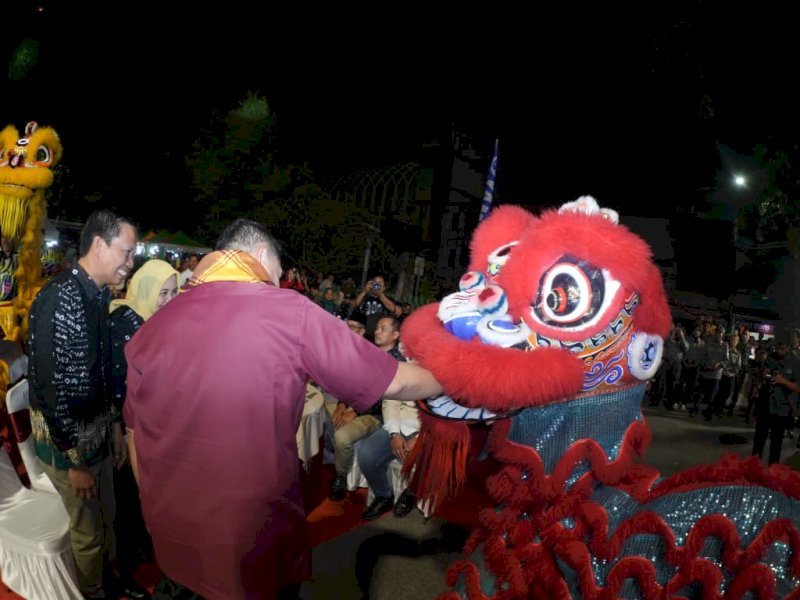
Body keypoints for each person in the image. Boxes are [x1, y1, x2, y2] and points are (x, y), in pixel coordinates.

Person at [122, 219, 442, 600]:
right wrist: (458, 374)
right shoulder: (288, 311)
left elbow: (134, 433)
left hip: (172, 527)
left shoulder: (153, 327)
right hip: (246, 537)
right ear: (260, 256)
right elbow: (394, 380)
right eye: (275, 274)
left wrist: (154, 506)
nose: (275, 284)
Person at [27, 209, 137, 599]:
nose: (130, 262)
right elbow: (53, 391)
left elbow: (102, 373)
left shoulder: (98, 294)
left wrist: (116, 428)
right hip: (67, 446)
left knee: (108, 514)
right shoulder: (60, 299)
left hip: (98, 435)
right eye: (126, 252)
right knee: (88, 532)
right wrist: (74, 463)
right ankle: (93, 592)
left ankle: (111, 578)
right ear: (99, 244)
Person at [109, 258, 179, 596]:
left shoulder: (153, 321)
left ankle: (137, 548)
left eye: (173, 292)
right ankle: (123, 571)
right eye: (161, 292)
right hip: (125, 428)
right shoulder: (125, 322)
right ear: (146, 288)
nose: (167, 299)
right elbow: (116, 383)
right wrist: (118, 428)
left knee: (142, 496)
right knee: (126, 498)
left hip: (149, 424)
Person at [752, 335, 800, 464]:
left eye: (782, 349)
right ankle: (752, 468)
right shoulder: (771, 357)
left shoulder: (796, 362)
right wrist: (762, 376)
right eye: (777, 348)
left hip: (781, 408)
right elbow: (763, 373)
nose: (779, 351)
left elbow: (797, 388)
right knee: (758, 441)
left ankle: (772, 472)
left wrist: (784, 381)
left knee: (776, 443)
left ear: (789, 347)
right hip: (765, 404)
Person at [352, 274, 402, 338]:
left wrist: (380, 294)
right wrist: (364, 291)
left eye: (380, 283)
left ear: (384, 288)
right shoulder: (364, 297)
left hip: (380, 336)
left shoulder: (388, 299)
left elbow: (396, 311)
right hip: (364, 335)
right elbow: (356, 304)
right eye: (375, 282)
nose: (377, 285)